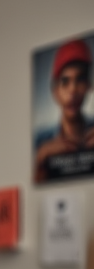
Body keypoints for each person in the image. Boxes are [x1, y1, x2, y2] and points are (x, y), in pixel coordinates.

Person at [34, 38, 94, 182]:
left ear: (88, 85)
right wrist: (39, 163)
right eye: (65, 81)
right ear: (55, 91)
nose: (73, 90)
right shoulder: (39, 140)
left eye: (80, 79)